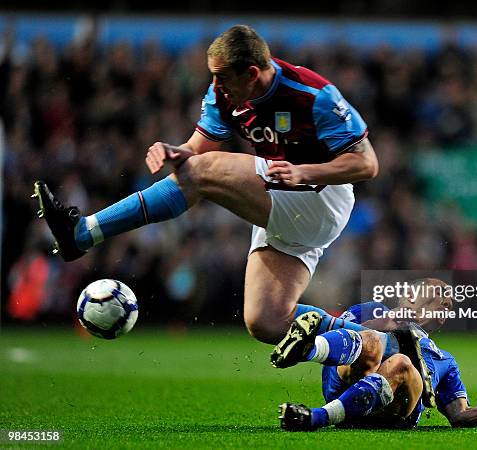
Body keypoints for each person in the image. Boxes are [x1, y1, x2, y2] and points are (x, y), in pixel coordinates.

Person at [32, 24, 378, 344]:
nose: (216, 85)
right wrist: (176, 152)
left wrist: (307, 173)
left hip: (321, 198)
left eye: (222, 77)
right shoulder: (224, 92)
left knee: (203, 171)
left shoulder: (313, 95)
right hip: (281, 192)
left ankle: (83, 233)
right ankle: (374, 341)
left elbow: (366, 163)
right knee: (267, 321)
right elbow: (196, 149)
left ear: (252, 74)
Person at [273, 291, 477, 430]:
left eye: (449, 307)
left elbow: (461, 417)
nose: (446, 307)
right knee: (373, 339)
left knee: (401, 363)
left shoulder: (445, 360)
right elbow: (345, 330)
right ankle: (305, 351)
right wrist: (395, 320)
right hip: (345, 383)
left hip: (396, 412)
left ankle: (317, 417)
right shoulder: (374, 310)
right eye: (439, 298)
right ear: (411, 297)